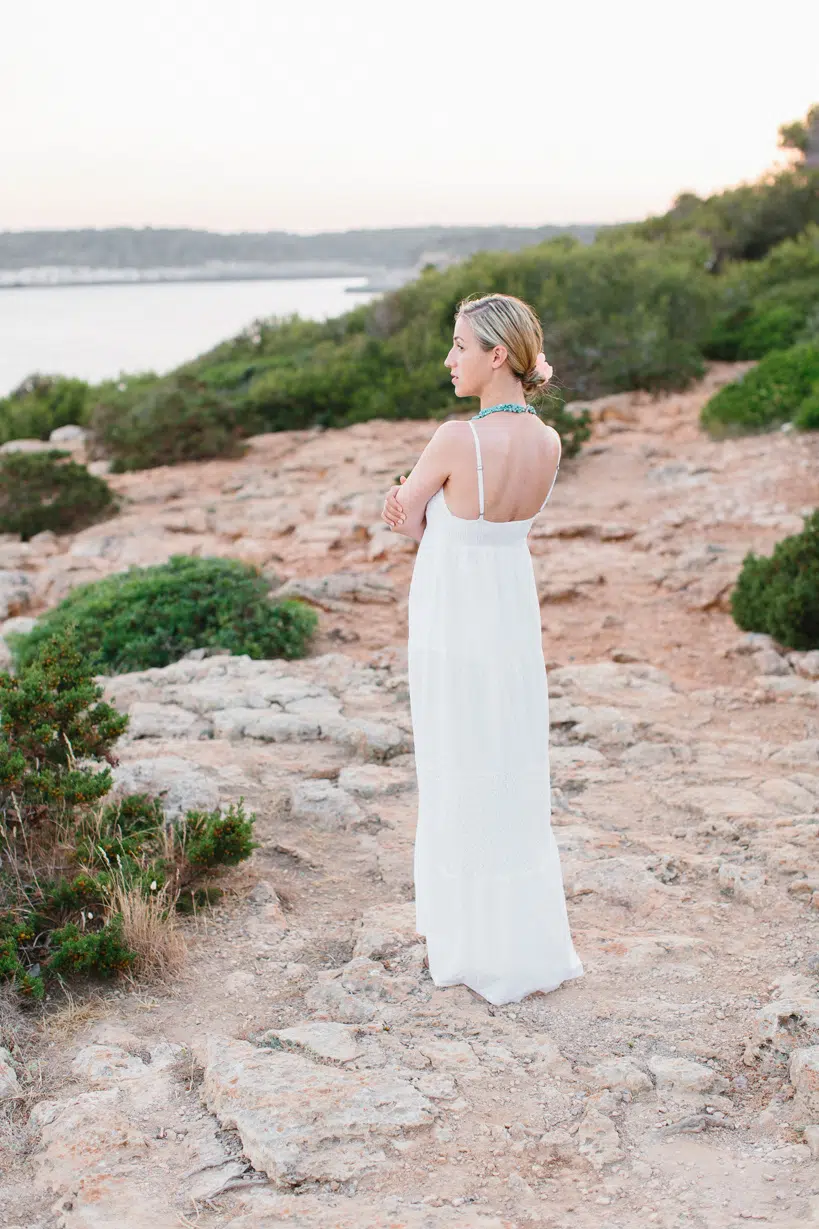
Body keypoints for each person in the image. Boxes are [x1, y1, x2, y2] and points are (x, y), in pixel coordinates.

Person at [381, 292, 584, 1007]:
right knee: (507, 760)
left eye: (459, 346)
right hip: (508, 614)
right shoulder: (549, 441)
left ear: (497, 356)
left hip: (453, 616)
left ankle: (465, 937)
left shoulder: (454, 438)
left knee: (456, 756)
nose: (449, 359)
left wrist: (397, 502)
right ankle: (521, 935)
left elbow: (408, 524)